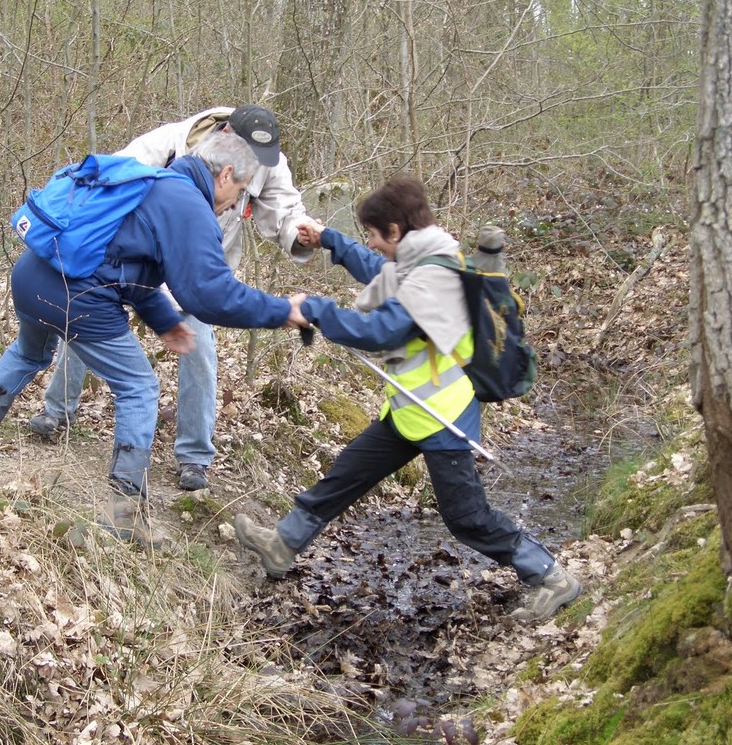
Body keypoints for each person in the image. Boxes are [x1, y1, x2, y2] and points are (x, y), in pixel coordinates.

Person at [233, 175, 581, 622]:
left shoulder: (433, 278)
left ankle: (551, 576)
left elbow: (381, 329)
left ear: (396, 231)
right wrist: (329, 241)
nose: (373, 244)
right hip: (409, 409)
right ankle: (281, 546)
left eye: (376, 236)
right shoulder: (423, 258)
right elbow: (381, 273)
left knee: (467, 518)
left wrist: (315, 309)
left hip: (441, 415)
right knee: (345, 474)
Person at [0, 129, 309, 547]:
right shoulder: (188, 204)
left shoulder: (154, 181)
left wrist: (165, 321)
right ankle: (125, 511)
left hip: (32, 275)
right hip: (77, 296)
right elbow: (211, 294)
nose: (235, 202)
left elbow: (131, 271)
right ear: (225, 174)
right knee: (139, 386)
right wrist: (282, 311)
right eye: (241, 190)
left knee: (29, 353)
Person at [26, 105, 317, 492]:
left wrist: (301, 231)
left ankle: (194, 457)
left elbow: (285, 208)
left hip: (198, 271)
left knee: (199, 353)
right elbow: (116, 177)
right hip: (134, 263)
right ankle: (57, 411)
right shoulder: (169, 143)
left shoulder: (269, 162)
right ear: (227, 136)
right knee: (87, 321)